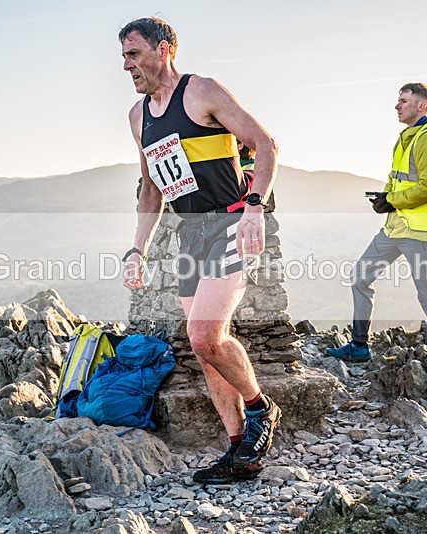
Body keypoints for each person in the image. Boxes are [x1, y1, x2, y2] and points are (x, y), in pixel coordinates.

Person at [119, 17, 281, 484]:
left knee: (204, 336)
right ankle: (239, 452)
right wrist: (137, 249)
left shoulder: (202, 91)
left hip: (229, 220)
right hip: (189, 232)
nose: (127, 66)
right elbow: (150, 188)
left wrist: (255, 208)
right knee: (207, 349)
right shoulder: (138, 117)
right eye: (124, 58)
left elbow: (265, 144)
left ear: (164, 49)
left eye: (134, 54)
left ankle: (260, 408)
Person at [327, 82, 427, 362]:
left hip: (420, 231)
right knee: (360, 277)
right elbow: (397, 179)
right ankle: (359, 346)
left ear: (421, 105)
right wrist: (385, 199)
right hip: (394, 228)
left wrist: (393, 200)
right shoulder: (405, 137)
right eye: (398, 100)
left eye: (403, 101)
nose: (397, 105)